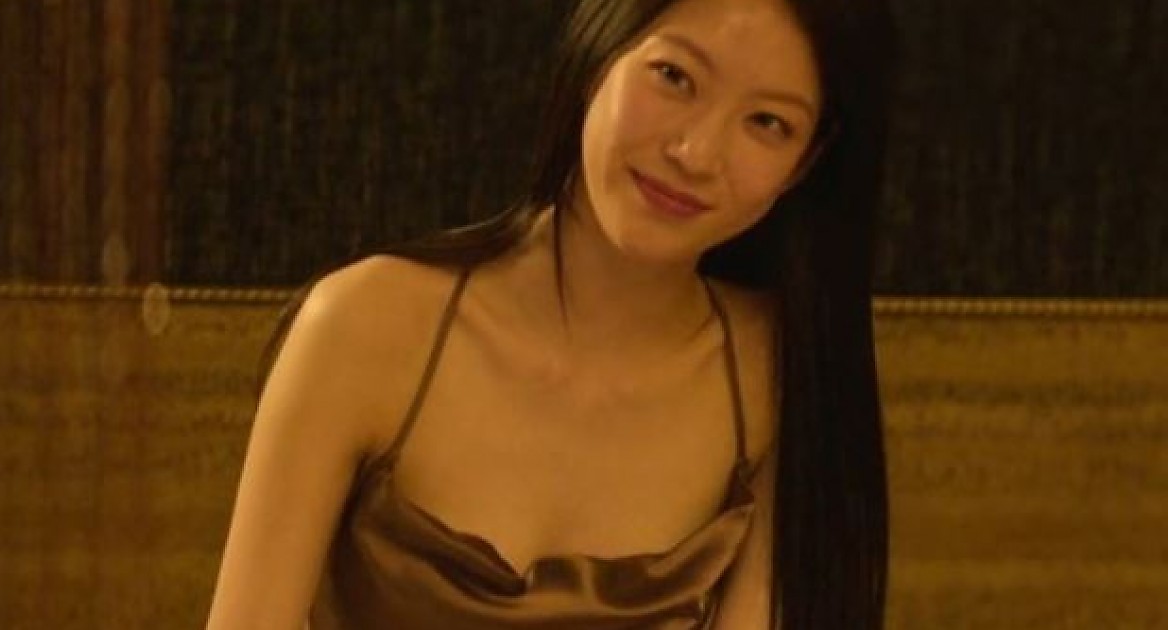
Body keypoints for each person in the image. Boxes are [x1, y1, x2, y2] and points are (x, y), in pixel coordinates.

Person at [206, 0, 897, 627]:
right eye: (674, 77)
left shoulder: (777, 371)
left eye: (768, 123)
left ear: (805, 163)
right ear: (600, 47)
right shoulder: (364, 324)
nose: (695, 153)